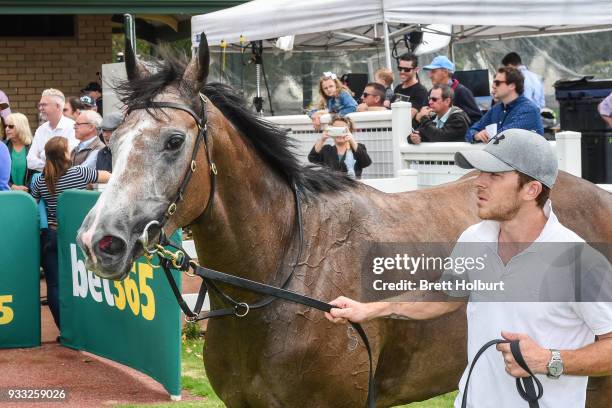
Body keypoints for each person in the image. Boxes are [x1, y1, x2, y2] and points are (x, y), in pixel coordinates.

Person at [326, 128, 612, 408]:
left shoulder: (579, 262)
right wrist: (368, 310)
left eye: (494, 175)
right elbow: (444, 296)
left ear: (531, 189)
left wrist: (549, 360)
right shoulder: (476, 238)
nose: (478, 182)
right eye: (480, 172)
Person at [30, 136, 111, 329]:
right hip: (77, 236)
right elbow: (108, 176)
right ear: (65, 155)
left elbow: (33, 200)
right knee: (84, 282)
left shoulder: (41, 180)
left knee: (54, 285)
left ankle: (64, 328)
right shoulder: (80, 173)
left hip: (51, 235)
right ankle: (84, 327)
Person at [466, 67, 544, 143]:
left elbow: (504, 136)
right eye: (493, 82)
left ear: (512, 85)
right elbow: (471, 131)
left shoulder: (529, 110)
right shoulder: (496, 109)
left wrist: (485, 134)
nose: (493, 86)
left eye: (497, 83)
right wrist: (476, 135)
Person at [27, 88, 78, 172]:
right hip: (43, 179)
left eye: (44, 105)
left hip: (65, 180)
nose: (41, 108)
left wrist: (42, 156)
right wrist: (52, 165)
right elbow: (30, 161)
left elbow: (68, 159)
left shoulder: (73, 127)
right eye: (40, 105)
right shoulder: (41, 129)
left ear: (57, 106)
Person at [308, 115, 371, 179]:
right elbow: (312, 158)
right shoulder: (327, 149)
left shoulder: (356, 148)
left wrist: (352, 140)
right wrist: (322, 139)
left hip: (352, 186)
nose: (339, 133)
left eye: (343, 130)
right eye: (336, 129)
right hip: (332, 187)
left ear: (349, 131)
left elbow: (366, 163)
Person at [423, 55, 482, 124]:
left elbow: (477, 119)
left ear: (445, 72)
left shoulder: (462, 92)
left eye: (433, 71)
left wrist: (455, 127)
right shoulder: (431, 92)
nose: (430, 75)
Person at [391, 53, 428, 119]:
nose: (402, 72)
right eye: (400, 68)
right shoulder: (398, 88)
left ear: (416, 70)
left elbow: (408, 117)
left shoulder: (420, 91)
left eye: (406, 69)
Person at [4, 112, 33, 191]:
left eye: (11, 126)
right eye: (6, 126)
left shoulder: (33, 147)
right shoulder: (2, 147)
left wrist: (27, 188)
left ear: (21, 127)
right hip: (7, 194)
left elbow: (37, 172)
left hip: (29, 195)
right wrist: (11, 186)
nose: (7, 129)